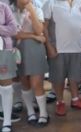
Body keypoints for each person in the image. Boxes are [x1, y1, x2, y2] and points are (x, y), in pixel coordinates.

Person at [43, 0, 81, 116]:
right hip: (58, 49)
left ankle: (75, 99)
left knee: (75, 76)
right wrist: (48, 46)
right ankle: (60, 102)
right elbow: (43, 27)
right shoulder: (51, 3)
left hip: (77, 47)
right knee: (58, 78)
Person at [10, 0, 49, 127]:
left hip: (35, 48)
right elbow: (14, 33)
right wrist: (34, 36)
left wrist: (31, 10)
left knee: (37, 82)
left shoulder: (37, 8)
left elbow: (39, 30)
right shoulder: (9, 9)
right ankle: (30, 112)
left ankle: (43, 114)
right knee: (24, 81)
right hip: (18, 49)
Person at [0, 1, 18, 131]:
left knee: (6, 84)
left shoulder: (3, 6)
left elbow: (13, 29)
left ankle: (7, 122)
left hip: (4, 51)